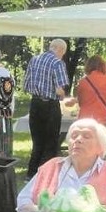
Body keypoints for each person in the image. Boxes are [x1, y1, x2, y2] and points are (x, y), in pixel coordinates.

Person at [23, 39, 69, 178]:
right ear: (60, 50)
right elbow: (60, 90)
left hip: (35, 103)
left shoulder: (34, 60)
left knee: (37, 141)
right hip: (50, 105)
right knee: (50, 142)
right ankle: (45, 175)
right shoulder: (57, 63)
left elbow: (26, 85)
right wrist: (63, 95)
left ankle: (31, 173)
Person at [69, 55, 106, 126]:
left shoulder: (83, 82)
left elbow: (80, 102)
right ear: (103, 66)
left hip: (85, 117)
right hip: (102, 117)